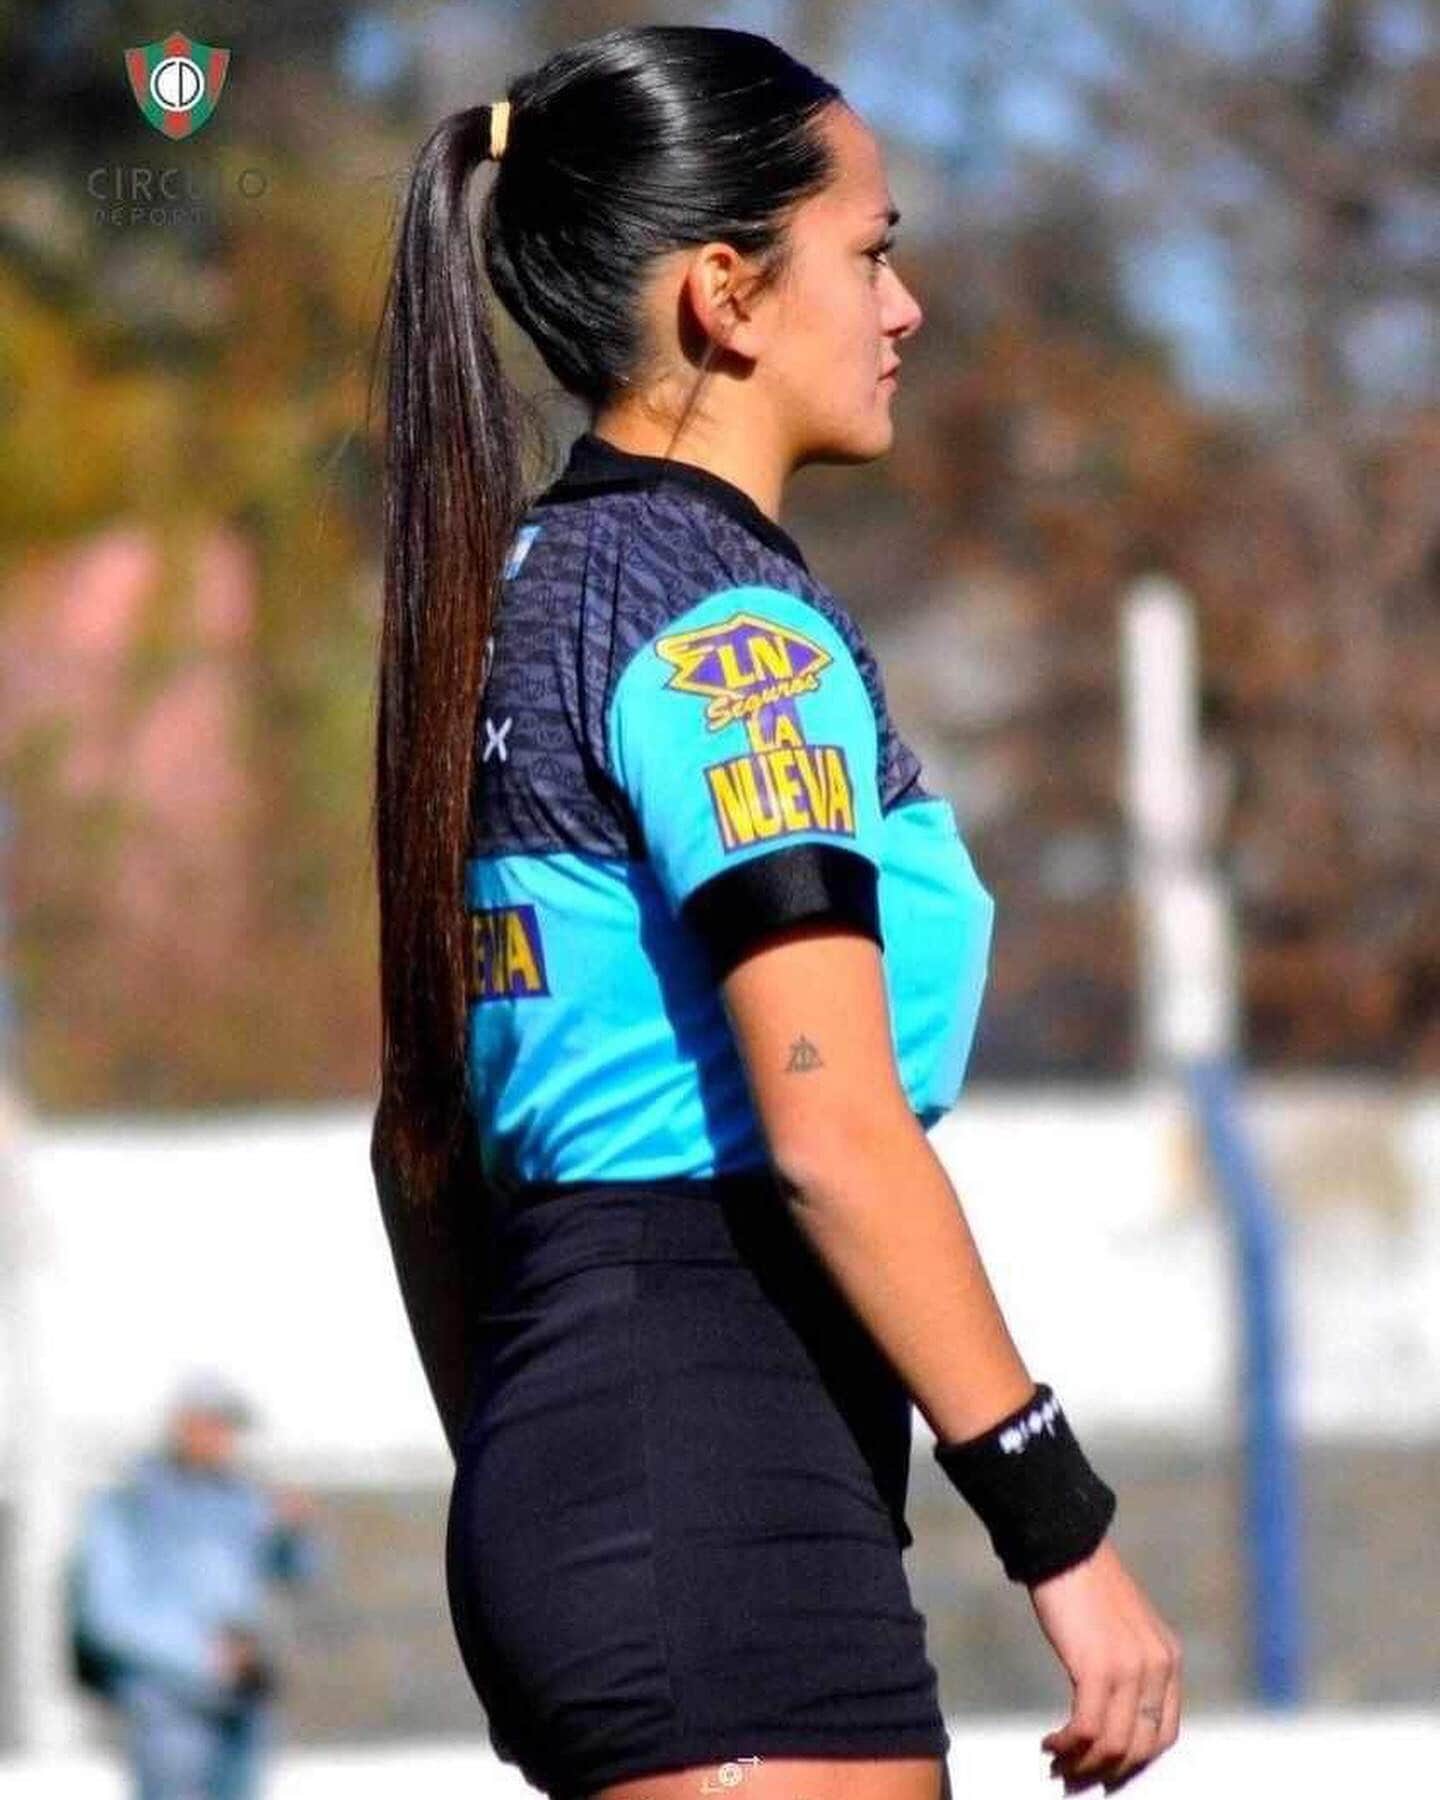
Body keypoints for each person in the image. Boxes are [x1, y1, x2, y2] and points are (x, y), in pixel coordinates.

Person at [367, 23, 1184, 1800]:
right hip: (708, 1472)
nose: (904, 307)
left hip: (602, 1468)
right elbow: (833, 1129)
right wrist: (1060, 1529)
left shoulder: (507, 600)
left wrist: (537, 1476)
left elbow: (417, 1149)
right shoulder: (728, 636)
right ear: (726, 295)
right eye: (871, 252)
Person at [68, 1369, 329, 1800]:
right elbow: (106, 1614)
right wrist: (201, 1657)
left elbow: (299, 1573)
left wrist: (295, 1532)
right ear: (182, 1425)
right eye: (213, 1424)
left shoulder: (243, 1501)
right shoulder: (127, 1506)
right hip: (165, 1704)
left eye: (229, 1428)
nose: (223, 1439)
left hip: (242, 1698)